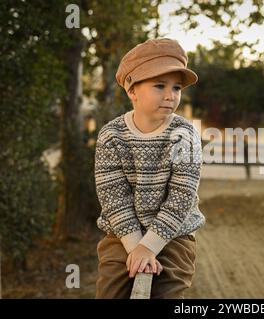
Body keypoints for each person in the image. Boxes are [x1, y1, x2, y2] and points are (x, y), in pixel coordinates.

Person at [94, 38, 206, 299]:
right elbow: (114, 199)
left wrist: (151, 246)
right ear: (132, 91)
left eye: (176, 87)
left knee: (167, 292)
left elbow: (181, 198)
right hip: (122, 233)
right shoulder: (112, 136)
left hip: (174, 234)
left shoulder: (185, 133)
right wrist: (137, 248)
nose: (171, 95)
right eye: (159, 86)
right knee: (110, 292)